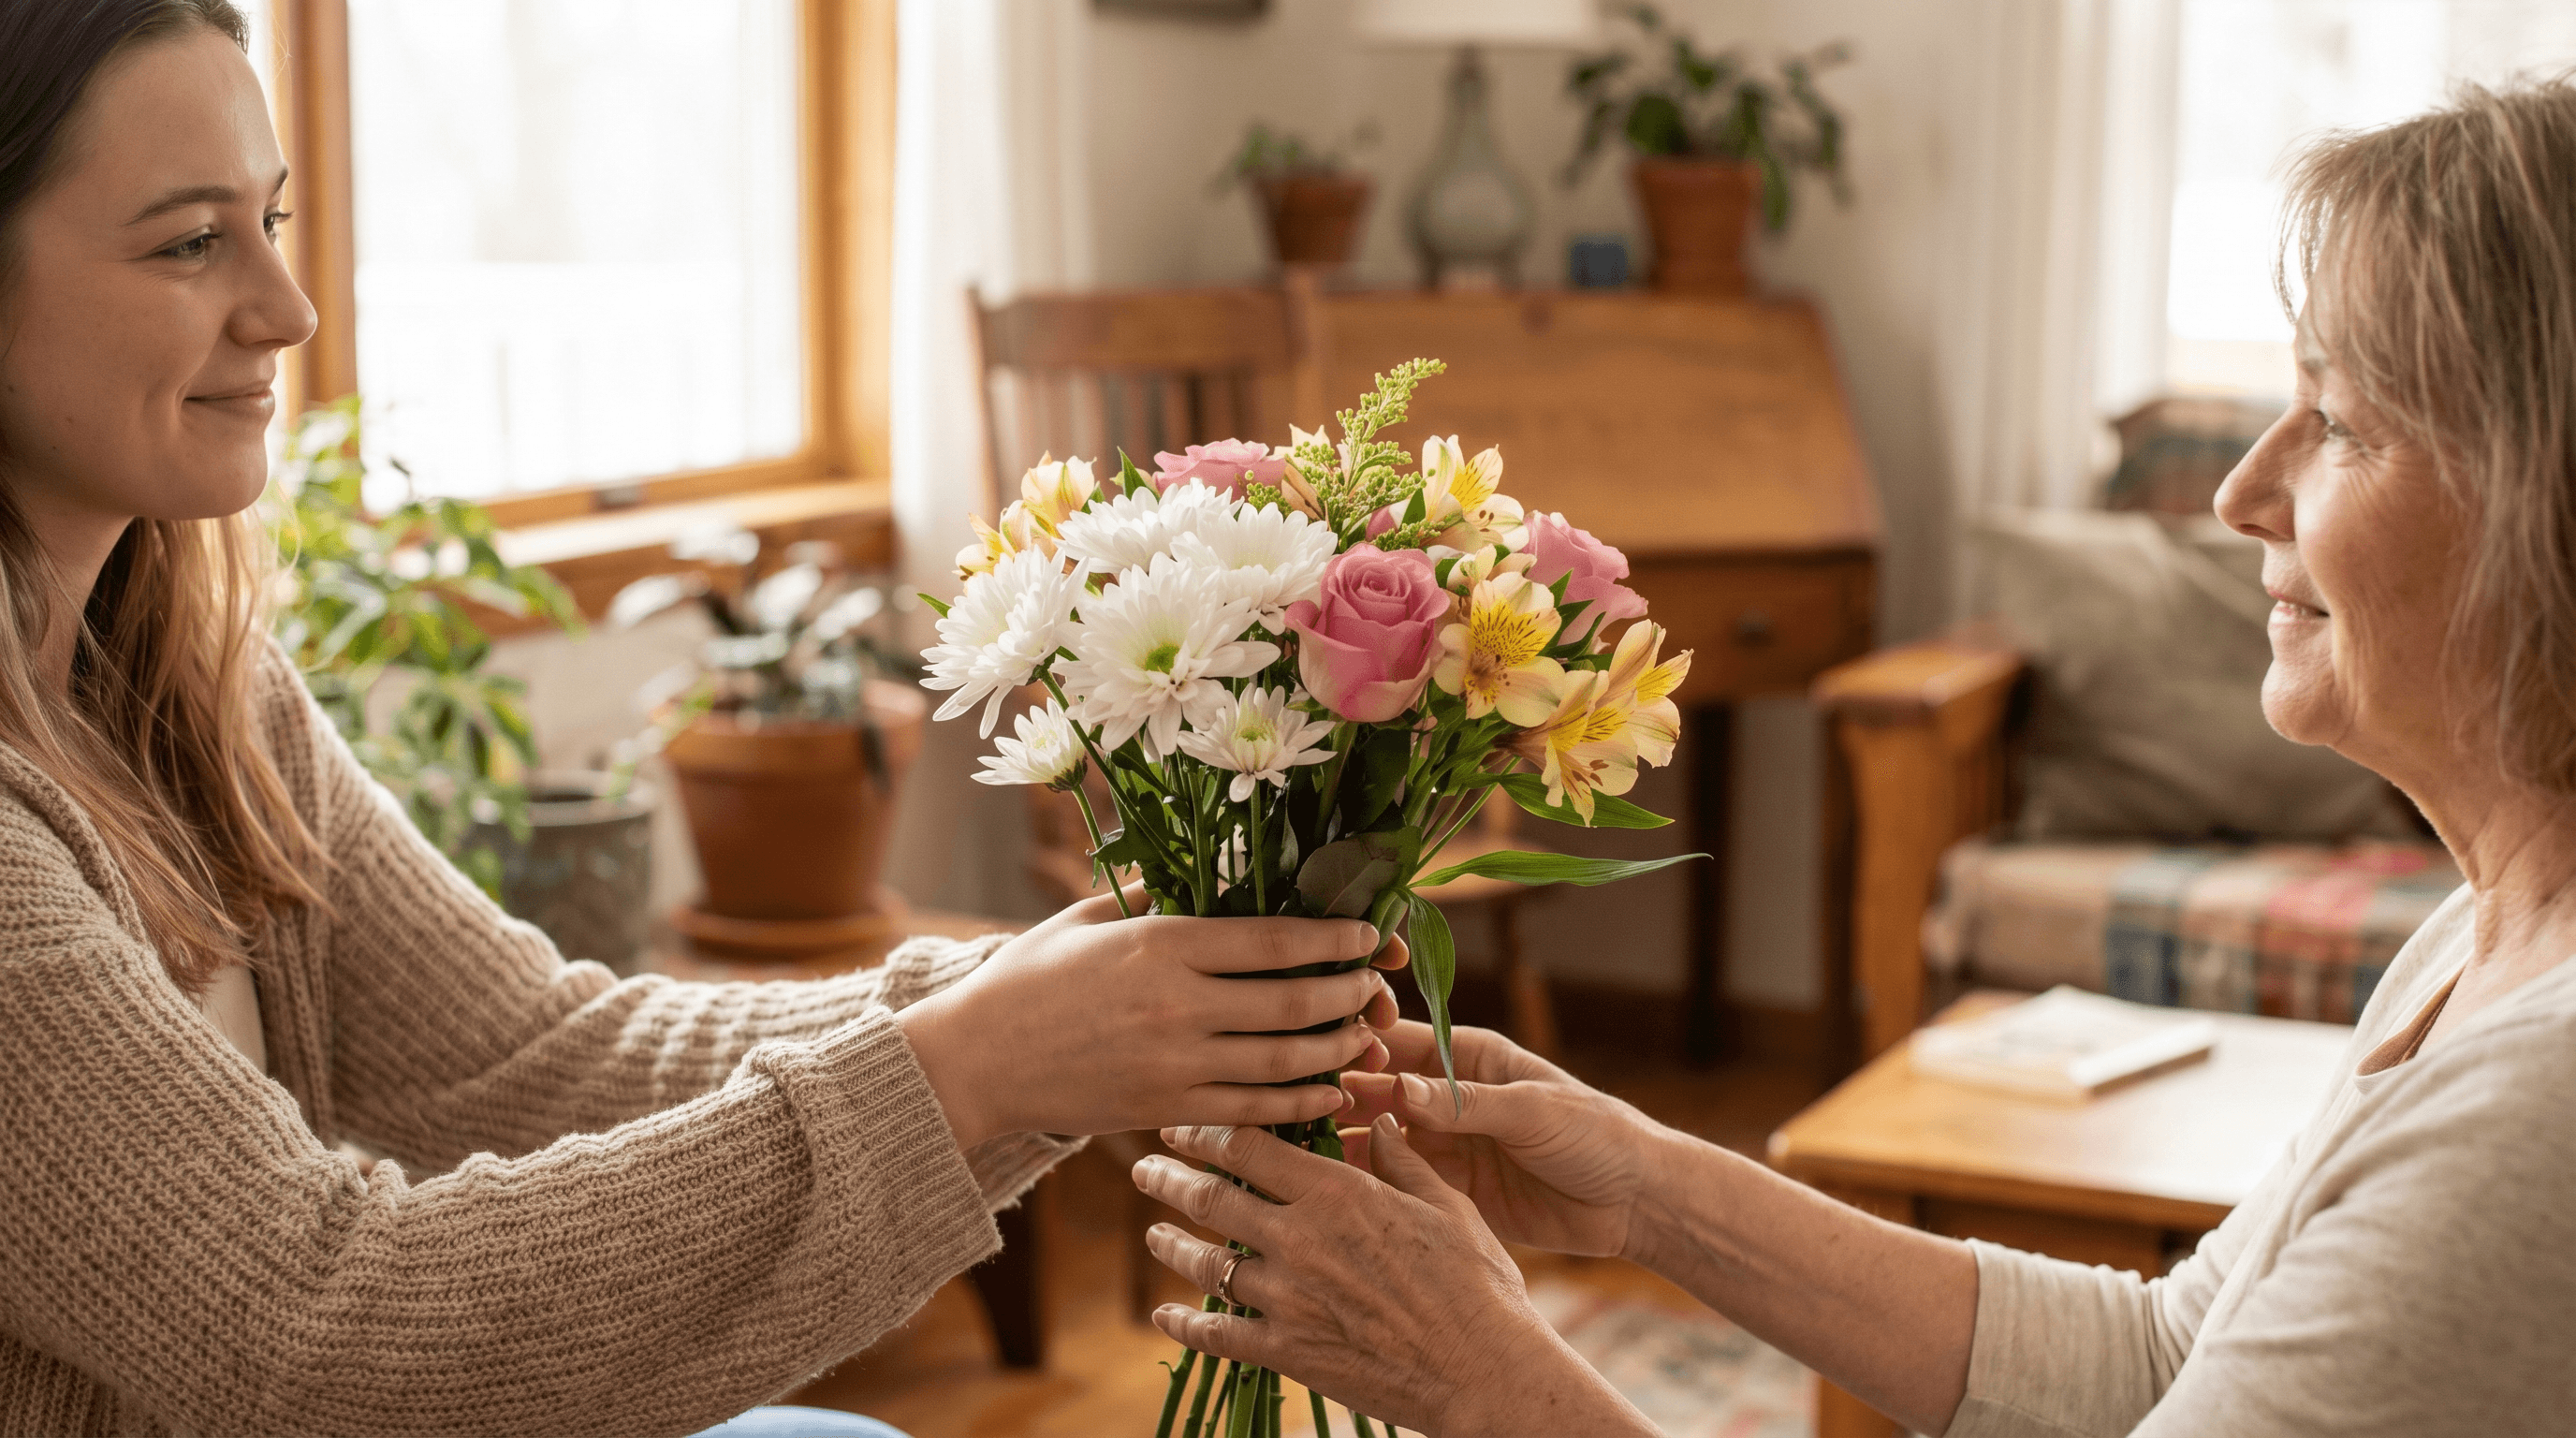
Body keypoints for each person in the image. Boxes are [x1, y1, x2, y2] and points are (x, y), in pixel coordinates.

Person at [0, 4, 1409, 1435]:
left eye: (274, 221)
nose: (287, 310)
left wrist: (1021, 1013)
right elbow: (324, 1324)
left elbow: (535, 1059)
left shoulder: (201, 695)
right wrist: (975, 1066)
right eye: (188, 241)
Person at [1134, 75, 2576, 1438]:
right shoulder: (2483, 940)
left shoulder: (2531, 1120)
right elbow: (2166, 1363)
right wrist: (1645, 1188)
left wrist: (1473, 1372)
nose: (2243, 490)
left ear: (2545, 499)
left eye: (2338, 420)